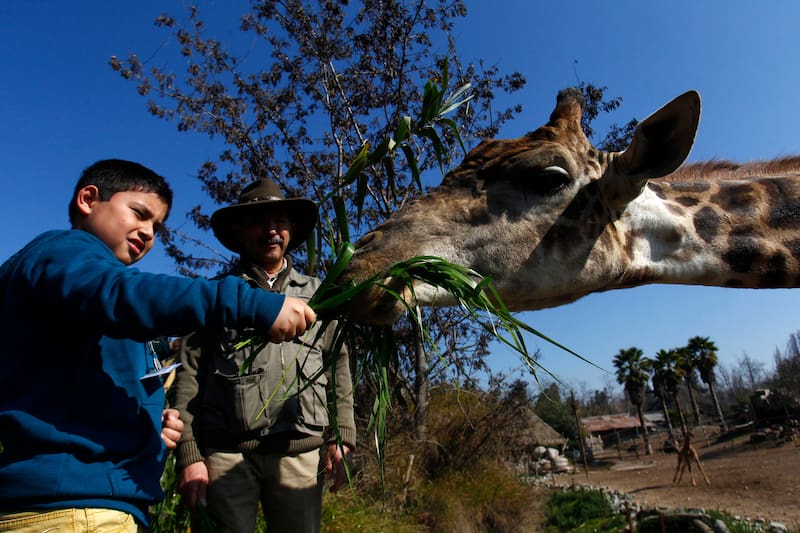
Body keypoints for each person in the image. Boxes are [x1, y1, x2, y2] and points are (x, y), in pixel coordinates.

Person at [0, 160, 315, 532]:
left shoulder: (83, 299)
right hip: (73, 510)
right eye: (139, 213)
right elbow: (124, 295)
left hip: (99, 503)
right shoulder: (66, 254)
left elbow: (72, 390)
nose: (148, 233)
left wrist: (149, 424)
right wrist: (251, 304)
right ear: (88, 199)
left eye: (157, 226)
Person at [172, 178, 356, 533]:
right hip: (225, 454)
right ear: (240, 232)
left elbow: (339, 366)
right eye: (259, 222)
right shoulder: (216, 296)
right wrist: (189, 455)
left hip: (300, 451)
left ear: (292, 230)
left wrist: (343, 435)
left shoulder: (318, 294)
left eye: (280, 222)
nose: (271, 230)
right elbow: (188, 375)